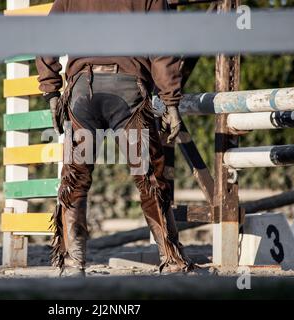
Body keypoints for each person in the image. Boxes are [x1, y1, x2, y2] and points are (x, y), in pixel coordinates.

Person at [36, 0, 194, 277]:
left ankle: (73, 265)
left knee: (74, 178)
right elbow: (163, 48)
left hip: (83, 92)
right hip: (128, 91)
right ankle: (172, 261)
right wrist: (170, 103)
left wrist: (51, 92)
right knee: (149, 179)